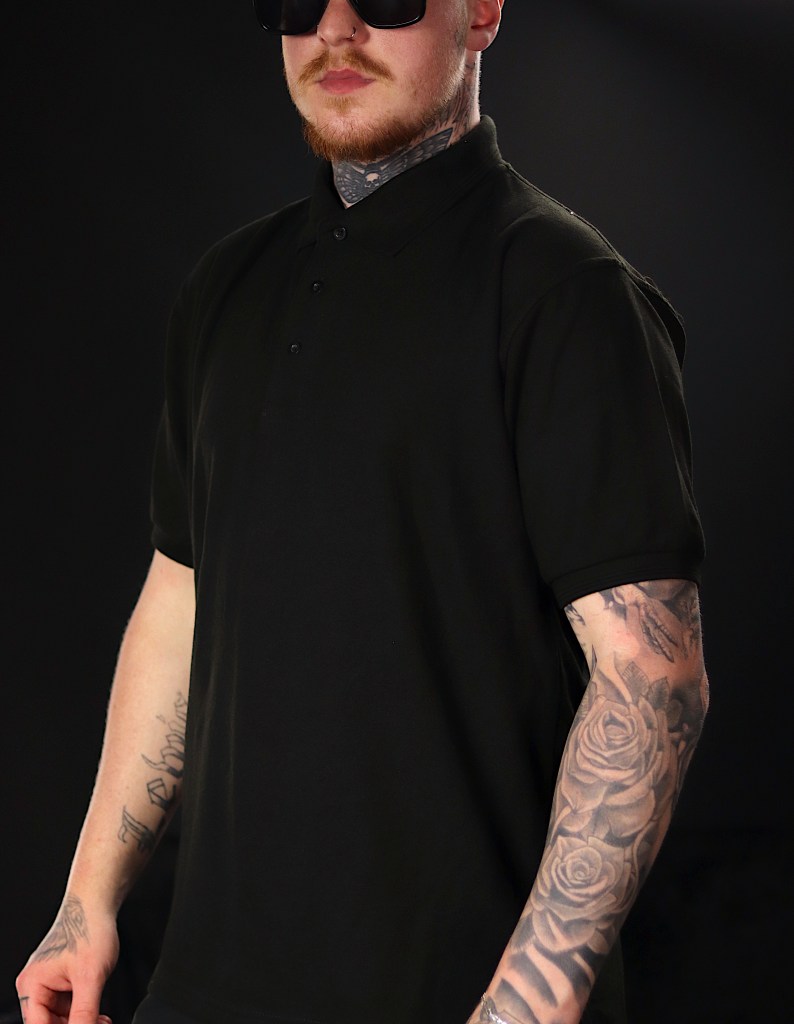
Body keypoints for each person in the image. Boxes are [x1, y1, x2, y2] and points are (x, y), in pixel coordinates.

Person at [16, 1, 709, 1022]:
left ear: (481, 11)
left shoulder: (565, 290)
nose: (335, 27)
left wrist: (529, 1000)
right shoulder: (226, 288)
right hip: (207, 993)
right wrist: (87, 903)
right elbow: (181, 600)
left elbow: (650, 677)